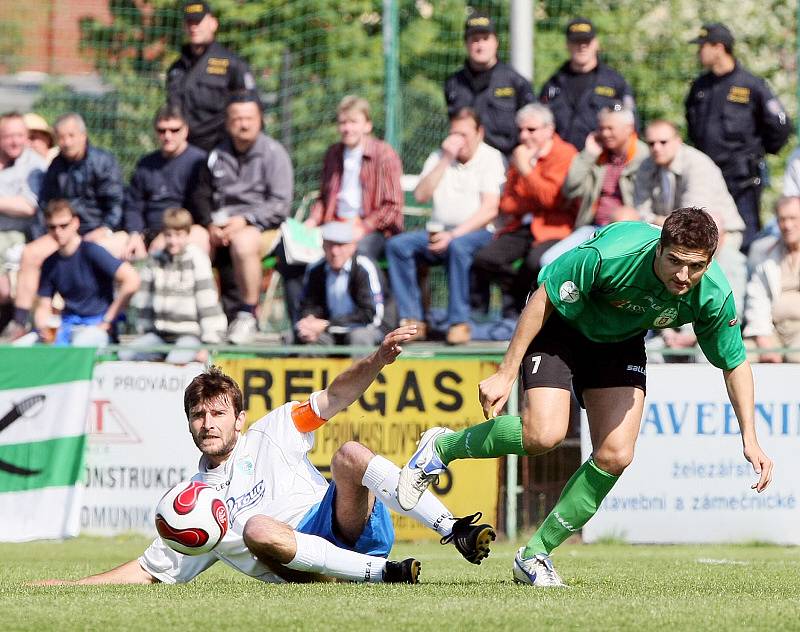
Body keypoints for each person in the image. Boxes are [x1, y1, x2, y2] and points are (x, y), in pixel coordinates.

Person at [396, 208, 774, 587]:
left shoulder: (712, 293)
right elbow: (544, 298)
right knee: (543, 435)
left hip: (620, 341)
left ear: (709, 261)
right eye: (674, 261)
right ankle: (442, 447)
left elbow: (734, 363)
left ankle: (535, 555)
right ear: (659, 248)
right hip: (558, 323)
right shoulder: (612, 255)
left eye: (694, 267)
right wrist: (506, 372)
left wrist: (750, 439)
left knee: (616, 455)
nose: (682, 276)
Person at [37, 331, 496, 586]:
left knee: (351, 454)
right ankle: (383, 576)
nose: (208, 423)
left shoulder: (275, 428)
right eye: (198, 416)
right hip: (303, 570)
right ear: (189, 425)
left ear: (240, 418)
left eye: (218, 413)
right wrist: (64, 589)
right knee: (257, 528)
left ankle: (453, 529)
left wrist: (376, 359)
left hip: (343, 523)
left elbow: (336, 396)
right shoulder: (194, 506)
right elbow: (147, 570)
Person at [279, 95, 403, 326]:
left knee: (357, 254)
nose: (347, 128)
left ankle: (361, 321)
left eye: (353, 122)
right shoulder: (333, 154)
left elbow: (392, 206)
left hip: (371, 229)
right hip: (332, 226)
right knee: (289, 256)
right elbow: (324, 199)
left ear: (367, 125)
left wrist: (362, 227)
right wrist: (312, 221)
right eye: (343, 123)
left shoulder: (383, 154)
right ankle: (304, 324)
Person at [385, 107, 505, 344]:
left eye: (464, 134)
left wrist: (453, 235)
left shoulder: (491, 158)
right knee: (398, 246)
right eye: (454, 134)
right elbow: (420, 194)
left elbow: (490, 209)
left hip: (478, 233)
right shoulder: (439, 156)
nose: (458, 140)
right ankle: (413, 320)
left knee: (457, 247)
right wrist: (446, 159)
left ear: (479, 132)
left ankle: (458, 322)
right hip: (439, 232)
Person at [7, 112, 127, 337]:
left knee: (101, 252)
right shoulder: (56, 166)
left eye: (71, 135)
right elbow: (45, 204)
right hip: (63, 231)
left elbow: (116, 202)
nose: (67, 142)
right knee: (31, 253)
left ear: (83, 135)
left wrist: (105, 229)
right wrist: (48, 233)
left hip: (98, 231)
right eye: (61, 137)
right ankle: (20, 321)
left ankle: (108, 322)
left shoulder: (103, 161)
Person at [190, 91, 293, 344]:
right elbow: (201, 194)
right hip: (220, 223)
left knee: (243, 242)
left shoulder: (274, 153)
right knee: (193, 240)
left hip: (262, 226)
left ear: (260, 120)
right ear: (227, 122)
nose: (243, 124)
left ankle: (248, 315)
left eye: (249, 118)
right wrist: (210, 224)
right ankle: (203, 316)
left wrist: (246, 220)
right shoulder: (216, 154)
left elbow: (280, 204)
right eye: (237, 118)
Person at [686, 22, 791, 251]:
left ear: (719, 47)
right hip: (707, 177)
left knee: (745, 238)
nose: (698, 52)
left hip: (742, 179)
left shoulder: (751, 85)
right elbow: (692, 127)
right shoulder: (700, 87)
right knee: (701, 236)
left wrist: (756, 151)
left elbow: (780, 124)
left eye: (702, 46)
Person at [472, 103, 577, 318]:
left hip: (554, 227)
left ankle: (524, 309)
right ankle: (516, 297)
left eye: (531, 130)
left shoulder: (564, 154)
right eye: (520, 130)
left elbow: (552, 199)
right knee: (486, 258)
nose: (524, 135)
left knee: (535, 262)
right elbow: (508, 203)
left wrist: (526, 171)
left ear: (549, 129)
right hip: (521, 225)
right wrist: (534, 197)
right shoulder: (520, 154)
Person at [634, 119, 747, 300]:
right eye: (651, 143)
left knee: (713, 224)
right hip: (669, 233)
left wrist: (655, 220)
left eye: (663, 142)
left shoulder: (697, 164)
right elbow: (639, 211)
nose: (656, 148)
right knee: (624, 217)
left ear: (678, 141)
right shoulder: (646, 166)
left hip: (718, 235)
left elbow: (693, 220)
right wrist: (657, 221)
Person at [540, 105, 646, 266]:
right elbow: (570, 189)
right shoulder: (598, 156)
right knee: (548, 261)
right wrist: (588, 155)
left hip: (627, 232)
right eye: (601, 128)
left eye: (610, 128)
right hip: (593, 228)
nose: (605, 134)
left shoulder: (645, 157)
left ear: (629, 128)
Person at [122, 208, 227, 364]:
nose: (173, 241)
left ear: (187, 234)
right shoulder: (155, 260)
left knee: (176, 361)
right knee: (126, 355)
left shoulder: (197, 259)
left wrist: (209, 344)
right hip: (159, 335)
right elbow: (145, 300)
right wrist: (143, 331)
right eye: (168, 235)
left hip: (189, 335)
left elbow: (208, 302)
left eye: (178, 235)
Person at [30, 199, 139, 347]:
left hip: (96, 326)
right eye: (52, 227)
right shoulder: (50, 262)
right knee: (24, 346)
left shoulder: (92, 251)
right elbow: (43, 304)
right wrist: (43, 327)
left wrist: (107, 320)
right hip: (66, 325)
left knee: (79, 348)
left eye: (63, 225)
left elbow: (132, 279)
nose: (58, 231)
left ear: (75, 223)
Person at [166, 1, 256, 152]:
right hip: (184, 150)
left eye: (199, 21)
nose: (194, 27)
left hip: (221, 149)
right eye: (189, 22)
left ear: (213, 23)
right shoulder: (176, 69)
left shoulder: (232, 64)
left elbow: (252, 108)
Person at [123, 104, 208, 261]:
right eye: (162, 130)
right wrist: (134, 234)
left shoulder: (199, 162)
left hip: (183, 230)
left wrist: (169, 234)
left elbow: (199, 208)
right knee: (107, 248)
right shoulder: (145, 164)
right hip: (146, 232)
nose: (168, 136)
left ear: (186, 130)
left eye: (174, 130)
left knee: (197, 239)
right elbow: (133, 205)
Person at [444, 11, 535, 157]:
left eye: (485, 39)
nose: (480, 45)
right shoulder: (453, 84)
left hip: (505, 164)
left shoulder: (516, 82)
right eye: (475, 39)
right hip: (465, 164)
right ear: (466, 43)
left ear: (496, 42)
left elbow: (532, 130)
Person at [539, 17, 635, 151]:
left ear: (596, 43)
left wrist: (612, 114)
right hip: (560, 160)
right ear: (567, 44)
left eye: (587, 41)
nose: (582, 46)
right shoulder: (553, 84)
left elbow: (627, 115)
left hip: (601, 157)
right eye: (576, 41)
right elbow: (541, 116)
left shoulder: (613, 82)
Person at [296, 221, 394, 346]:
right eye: (330, 245)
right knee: (299, 337)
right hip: (330, 330)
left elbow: (372, 315)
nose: (335, 252)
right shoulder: (315, 269)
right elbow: (307, 303)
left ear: (352, 246)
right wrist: (309, 320)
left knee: (359, 337)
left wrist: (328, 324)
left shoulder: (364, 267)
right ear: (323, 245)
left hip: (368, 328)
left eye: (340, 245)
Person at [0, 112, 47, 332]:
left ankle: (16, 326)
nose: (15, 141)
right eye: (9, 136)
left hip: (19, 237)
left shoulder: (33, 164)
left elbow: (29, 205)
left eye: (19, 135)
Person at [743, 196, 800, 362]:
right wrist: (763, 340)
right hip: (772, 329)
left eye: (793, 218)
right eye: (782, 219)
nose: (787, 225)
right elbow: (756, 298)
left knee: (796, 356)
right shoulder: (765, 251)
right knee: (740, 354)